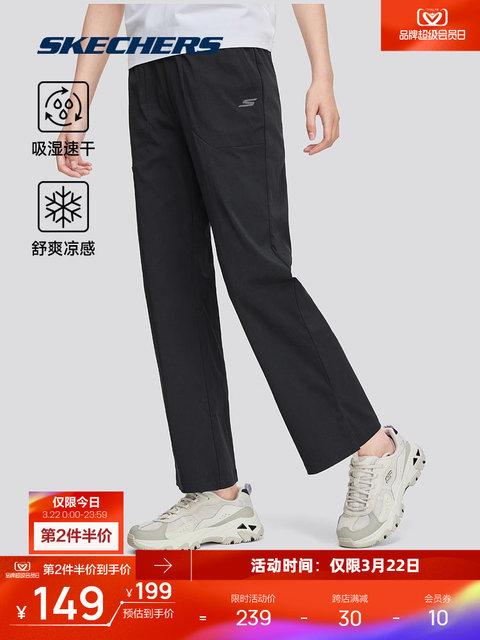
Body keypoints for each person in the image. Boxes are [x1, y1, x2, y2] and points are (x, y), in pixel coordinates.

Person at [57, 3, 425, 550]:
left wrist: (322, 72)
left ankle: (378, 448)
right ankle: (215, 491)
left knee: (257, 273)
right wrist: (79, 95)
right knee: (172, 287)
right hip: (149, 75)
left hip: (228, 61)